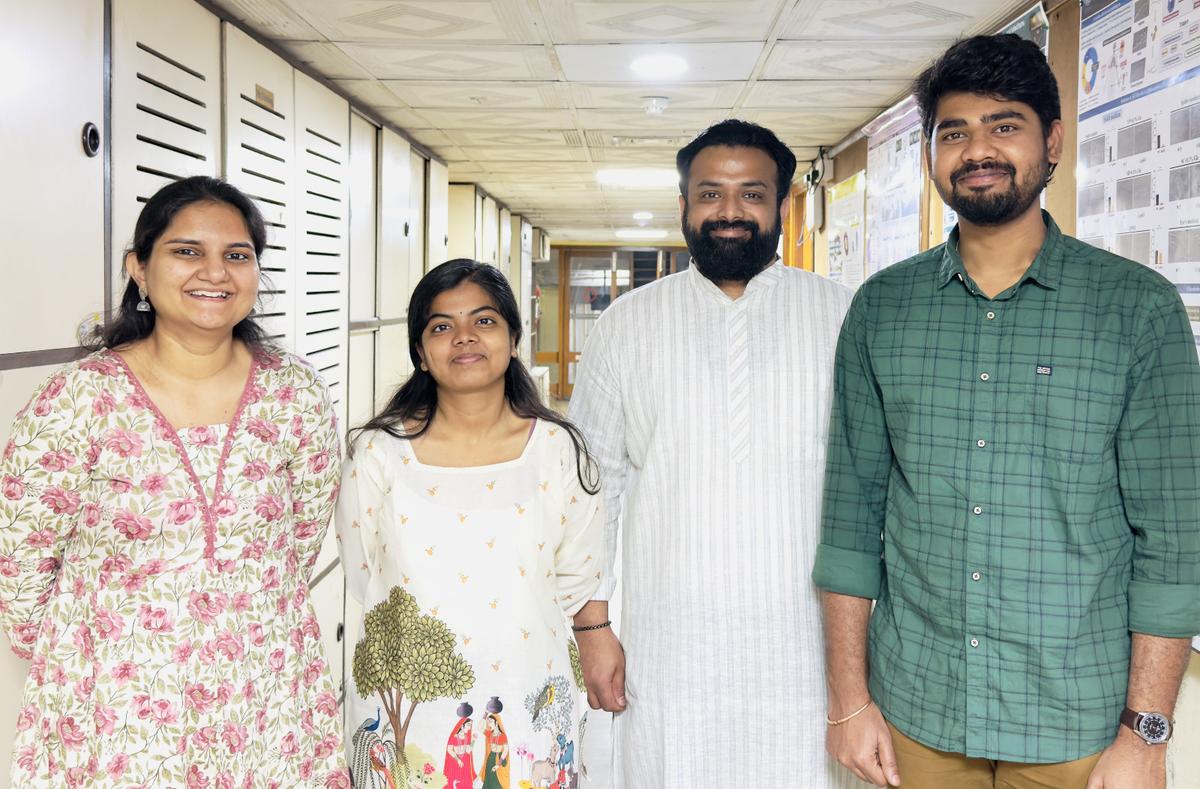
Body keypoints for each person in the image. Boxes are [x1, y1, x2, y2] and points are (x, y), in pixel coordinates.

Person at [815, 34, 1200, 789]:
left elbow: (1175, 544)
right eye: (953, 131)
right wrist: (847, 700)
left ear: (1052, 141)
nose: (976, 149)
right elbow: (850, 523)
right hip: (917, 710)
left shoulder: (1136, 310)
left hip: (1078, 723)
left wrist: (1147, 735)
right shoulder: (882, 310)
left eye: (1005, 125)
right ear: (930, 154)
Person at [0, 176, 348, 786]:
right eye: (187, 251)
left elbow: (296, 546)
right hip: (116, 715)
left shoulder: (295, 395)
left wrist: (235, 622)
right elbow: (19, 568)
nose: (214, 272)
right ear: (139, 268)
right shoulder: (78, 401)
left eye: (236, 255)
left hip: (264, 701)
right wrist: (110, 660)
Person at [568, 119, 860, 786]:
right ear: (684, 206)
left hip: (809, 652)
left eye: (751, 194)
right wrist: (593, 627)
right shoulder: (626, 326)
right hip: (670, 645)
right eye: (710, 194)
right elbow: (592, 490)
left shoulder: (846, 317)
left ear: (782, 206)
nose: (729, 212)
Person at [338, 259, 602, 789]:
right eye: (441, 326)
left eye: (484, 321)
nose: (464, 338)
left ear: (512, 337)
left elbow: (578, 576)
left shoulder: (558, 450)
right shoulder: (377, 453)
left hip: (532, 684)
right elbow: (365, 572)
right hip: (408, 703)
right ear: (420, 351)